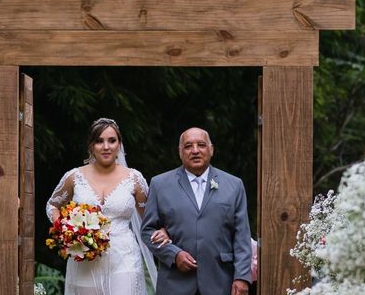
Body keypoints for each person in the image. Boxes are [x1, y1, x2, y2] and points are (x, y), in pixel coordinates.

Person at [46, 118, 166, 295]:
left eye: (112, 140)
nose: (106, 146)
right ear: (91, 146)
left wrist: (162, 230)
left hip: (124, 257)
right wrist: (65, 230)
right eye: (99, 141)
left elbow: (149, 218)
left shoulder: (134, 178)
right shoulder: (74, 176)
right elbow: (53, 205)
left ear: (119, 145)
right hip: (85, 257)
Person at [141, 127, 252, 295]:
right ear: (180, 151)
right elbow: (147, 231)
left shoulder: (234, 185)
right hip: (175, 282)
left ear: (211, 149)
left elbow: (241, 235)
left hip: (221, 281)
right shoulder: (160, 184)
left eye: (201, 145)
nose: (195, 151)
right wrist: (174, 254)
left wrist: (242, 277)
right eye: (188, 146)